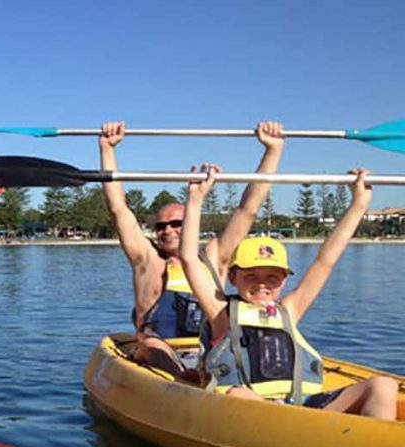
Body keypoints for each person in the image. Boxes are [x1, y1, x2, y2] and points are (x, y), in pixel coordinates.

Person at [180, 166, 398, 420]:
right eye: (251, 276)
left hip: (301, 408)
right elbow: (189, 260)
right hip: (249, 410)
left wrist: (359, 203)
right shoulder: (222, 314)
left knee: (383, 385)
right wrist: (195, 200)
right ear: (233, 278)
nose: (262, 284)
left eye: (272, 277)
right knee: (237, 394)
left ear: (283, 280)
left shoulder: (289, 310)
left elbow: (325, 261)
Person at [100, 120, 285, 378]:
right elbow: (118, 209)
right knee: (154, 346)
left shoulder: (214, 257)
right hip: (158, 356)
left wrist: (272, 151)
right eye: (161, 226)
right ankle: (180, 383)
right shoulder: (148, 261)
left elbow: (248, 209)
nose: (167, 230)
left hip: (211, 351)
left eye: (177, 223)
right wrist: (108, 150)